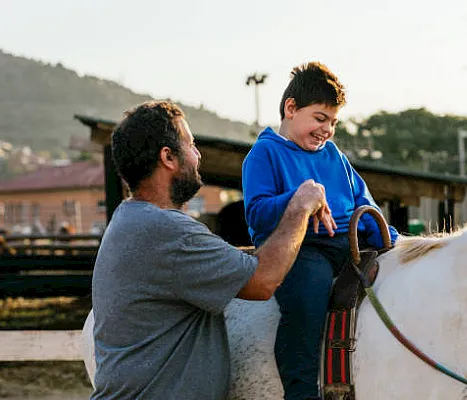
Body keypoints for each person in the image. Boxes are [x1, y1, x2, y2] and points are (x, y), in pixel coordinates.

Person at [90, 100, 335, 400]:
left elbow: (226, 260)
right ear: (168, 157)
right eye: (190, 145)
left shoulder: (130, 219)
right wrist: (299, 206)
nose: (197, 154)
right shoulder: (168, 231)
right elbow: (263, 281)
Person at [242, 62, 400, 400]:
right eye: (319, 118)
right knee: (308, 300)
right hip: (300, 249)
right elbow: (256, 214)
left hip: (347, 242)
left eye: (333, 122)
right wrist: (300, 199)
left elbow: (363, 202)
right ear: (291, 108)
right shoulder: (264, 153)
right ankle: (300, 391)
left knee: (400, 277)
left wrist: (396, 242)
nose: (326, 130)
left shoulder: (335, 156)